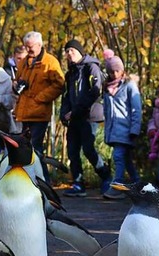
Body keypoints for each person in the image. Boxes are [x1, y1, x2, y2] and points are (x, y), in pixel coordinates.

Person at [59, 39, 111, 197]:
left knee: (88, 149)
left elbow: (95, 92)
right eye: (67, 51)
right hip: (74, 118)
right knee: (72, 151)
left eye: (72, 51)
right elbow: (67, 96)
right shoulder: (70, 73)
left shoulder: (91, 67)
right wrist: (64, 113)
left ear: (80, 51)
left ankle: (106, 177)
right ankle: (78, 183)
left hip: (89, 116)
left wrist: (75, 111)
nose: (69, 54)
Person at [13, 31, 65, 181]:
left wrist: (40, 98)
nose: (28, 50)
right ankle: (30, 179)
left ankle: (43, 181)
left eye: (31, 47)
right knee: (26, 148)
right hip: (24, 112)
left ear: (40, 44)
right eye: (26, 46)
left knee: (35, 148)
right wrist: (15, 85)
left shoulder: (50, 62)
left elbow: (60, 85)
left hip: (39, 113)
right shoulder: (23, 62)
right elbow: (18, 81)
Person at [101, 55, 142, 200]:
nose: (115, 74)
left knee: (118, 157)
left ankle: (117, 187)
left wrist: (134, 129)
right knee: (126, 159)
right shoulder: (107, 88)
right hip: (113, 129)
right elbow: (106, 111)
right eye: (112, 72)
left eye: (118, 71)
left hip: (126, 128)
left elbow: (136, 109)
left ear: (122, 70)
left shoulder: (129, 86)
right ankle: (139, 186)